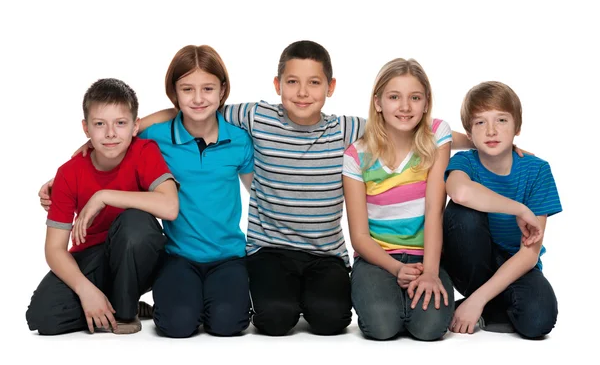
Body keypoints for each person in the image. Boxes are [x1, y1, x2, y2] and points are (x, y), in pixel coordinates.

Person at [136, 41, 481, 336]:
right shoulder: (256, 117)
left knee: (331, 320)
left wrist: (479, 142)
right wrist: (134, 127)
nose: (303, 93)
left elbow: (406, 127)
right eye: (293, 82)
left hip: (325, 253)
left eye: (314, 83)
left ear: (330, 87)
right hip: (269, 249)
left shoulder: (347, 129)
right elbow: (198, 108)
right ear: (277, 84)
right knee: (274, 318)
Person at [37, 45, 255, 338]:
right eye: (187, 89)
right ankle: (120, 304)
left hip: (226, 255)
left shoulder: (237, 139)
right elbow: (124, 130)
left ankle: (208, 300)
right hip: (176, 255)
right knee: (175, 325)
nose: (199, 98)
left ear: (222, 90)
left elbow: (258, 194)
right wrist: (79, 157)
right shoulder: (157, 136)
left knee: (228, 324)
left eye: (207, 88)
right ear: (174, 94)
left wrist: (103, 194)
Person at [26, 78, 179, 335]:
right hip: (94, 258)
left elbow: (170, 206)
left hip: (141, 253)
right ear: (86, 128)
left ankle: (125, 313)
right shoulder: (68, 173)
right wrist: (86, 291)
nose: (110, 133)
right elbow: (54, 248)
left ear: (135, 126)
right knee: (43, 317)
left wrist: (104, 195)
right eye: (100, 124)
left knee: (135, 223)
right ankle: (116, 301)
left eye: (120, 123)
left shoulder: (144, 152)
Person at [342, 58, 454, 341]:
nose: (405, 107)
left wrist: (429, 272)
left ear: (426, 103)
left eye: (414, 98)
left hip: (426, 254)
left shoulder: (436, 135)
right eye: (394, 97)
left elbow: (433, 209)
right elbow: (359, 236)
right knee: (382, 327)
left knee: (429, 330)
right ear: (378, 102)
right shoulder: (357, 155)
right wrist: (396, 269)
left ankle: (419, 300)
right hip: (377, 259)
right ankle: (392, 300)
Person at [442, 81, 562, 338]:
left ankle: (477, 307)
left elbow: (529, 254)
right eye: (480, 123)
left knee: (539, 319)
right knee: (462, 213)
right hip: (471, 263)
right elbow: (461, 192)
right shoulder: (464, 161)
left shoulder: (537, 170)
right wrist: (519, 209)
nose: (492, 130)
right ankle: (488, 306)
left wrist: (477, 300)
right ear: (469, 132)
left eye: (502, 120)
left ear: (517, 127)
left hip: (515, 264)